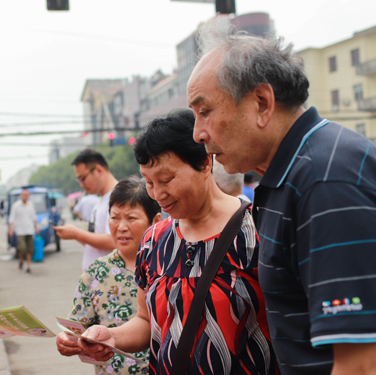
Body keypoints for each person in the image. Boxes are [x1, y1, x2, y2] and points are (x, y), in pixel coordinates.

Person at [187, 21, 376, 375]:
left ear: (262, 102)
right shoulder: (292, 174)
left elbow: (361, 364)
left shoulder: (324, 180)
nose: (198, 132)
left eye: (205, 111)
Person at [80, 110, 277, 374]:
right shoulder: (153, 240)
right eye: (149, 182)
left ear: (205, 162)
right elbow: (145, 320)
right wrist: (112, 337)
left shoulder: (259, 230)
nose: (157, 194)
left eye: (167, 179)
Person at [56, 176, 159, 375]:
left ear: (155, 221)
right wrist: (65, 340)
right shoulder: (96, 273)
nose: (121, 227)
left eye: (131, 218)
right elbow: (77, 329)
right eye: (114, 217)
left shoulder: (168, 268)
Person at [55, 149, 118, 270]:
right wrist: (75, 235)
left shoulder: (119, 198)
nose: (81, 184)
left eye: (82, 178)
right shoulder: (100, 200)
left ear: (99, 170)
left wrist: (77, 233)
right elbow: (96, 240)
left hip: (108, 282)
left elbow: (114, 241)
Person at [8, 189, 40, 273]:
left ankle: (28, 266)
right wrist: (11, 230)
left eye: (27, 195)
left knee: (30, 249)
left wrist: (36, 227)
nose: (25, 196)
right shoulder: (16, 205)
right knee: (22, 248)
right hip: (20, 230)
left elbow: (34, 217)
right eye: (24, 195)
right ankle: (21, 260)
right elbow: (12, 219)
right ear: (21, 195)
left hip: (29, 229)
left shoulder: (30, 205)